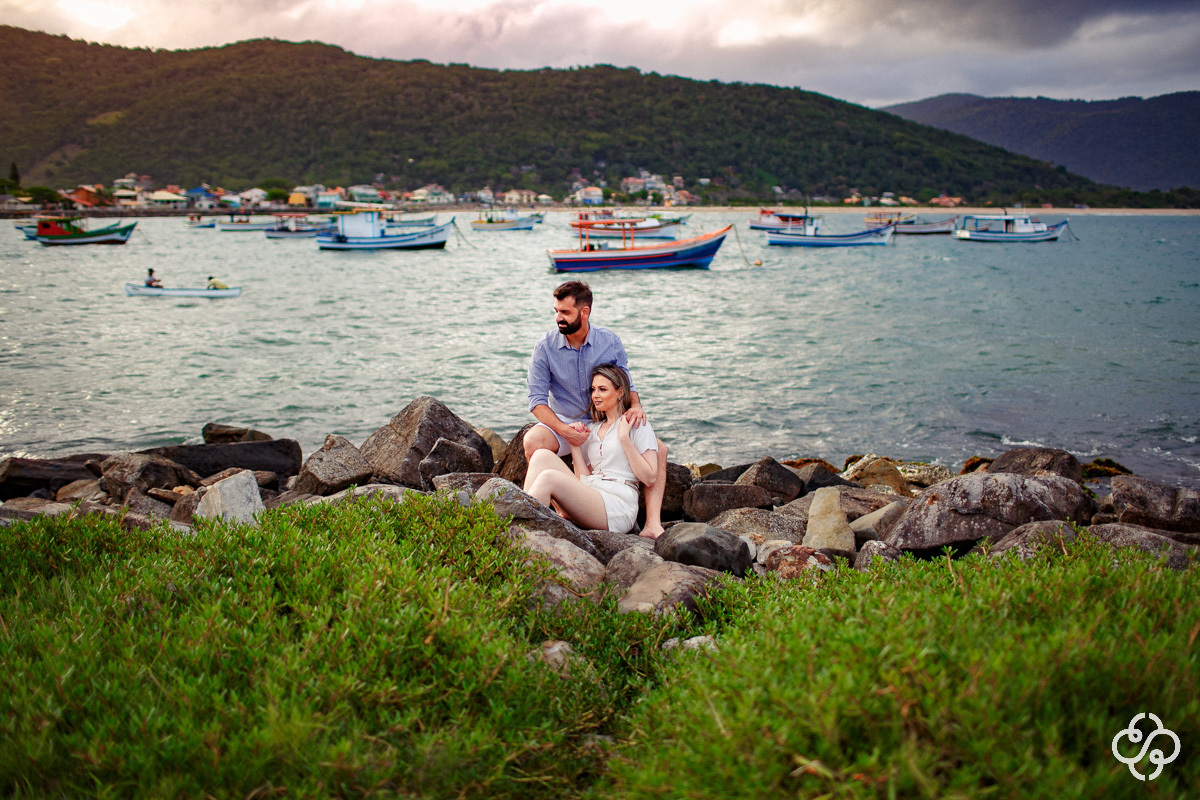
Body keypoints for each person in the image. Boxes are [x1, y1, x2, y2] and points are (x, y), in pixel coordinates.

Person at [525, 280, 669, 538]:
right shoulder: (545, 346)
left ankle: (652, 524)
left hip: (602, 424)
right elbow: (536, 400)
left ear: (584, 312)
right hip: (567, 422)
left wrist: (635, 407)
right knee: (535, 444)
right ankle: (561, 511)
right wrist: (566, 432)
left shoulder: (609, 342)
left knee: (659, 449)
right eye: (556, 311)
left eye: (565, 312)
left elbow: (626, 381)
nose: (559, 318)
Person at [524, 364, 658, 534]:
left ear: (620, 392)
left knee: (548, 478)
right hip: (592, 494)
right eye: (593, 389)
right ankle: (520, 522)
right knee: (540, 456)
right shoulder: (594, 429)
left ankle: (522, 533)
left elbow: (650, 478)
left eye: (602, 389)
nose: (595, 395)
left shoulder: (637, 425)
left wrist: (624, 438)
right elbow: (583, 479)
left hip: (617, 504)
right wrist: (574, 443)